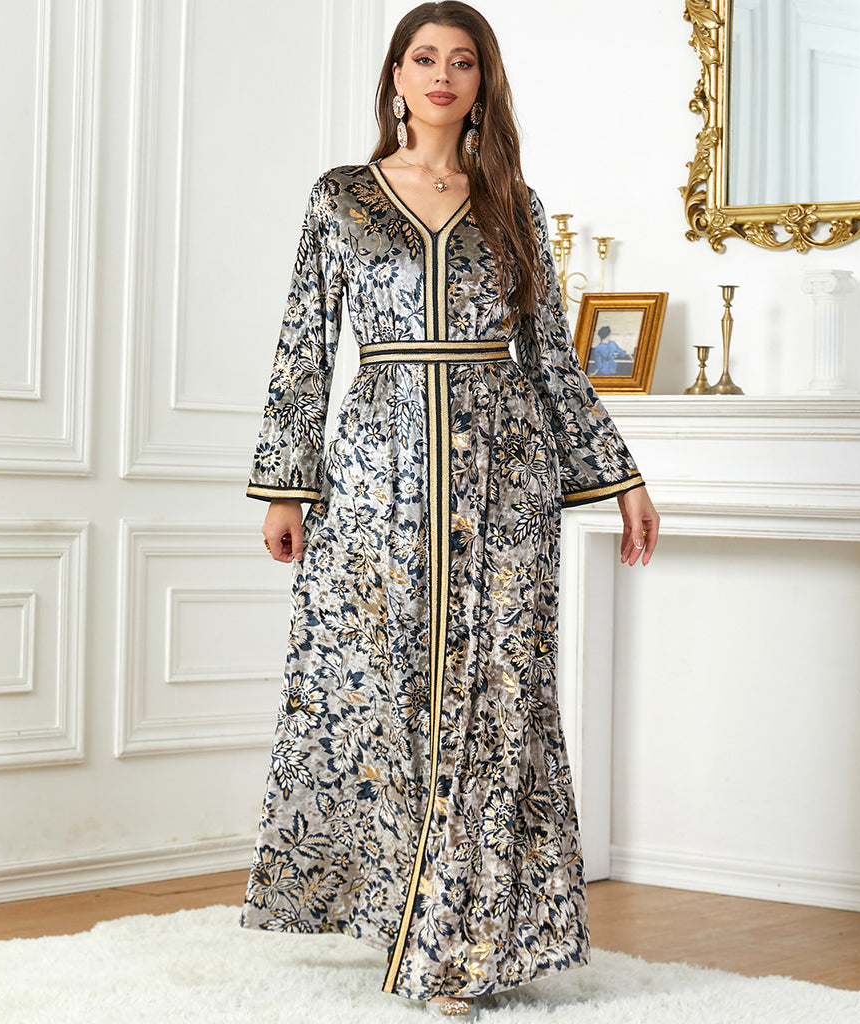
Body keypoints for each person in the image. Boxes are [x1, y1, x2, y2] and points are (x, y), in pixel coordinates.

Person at [240, 3, 659, 1017]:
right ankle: (403, 912)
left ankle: (463, 941)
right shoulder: (341, 198)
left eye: (462, 61)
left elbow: (552, 359)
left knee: (493, 693)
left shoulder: (513, 203)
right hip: (375, 475)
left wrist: (623, 475)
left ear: (482, 82)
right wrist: (289, 482)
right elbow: (304, 343)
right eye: (423, 58)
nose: (441, 75)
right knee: (384, 688)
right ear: (396, 76)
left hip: (504, 478)